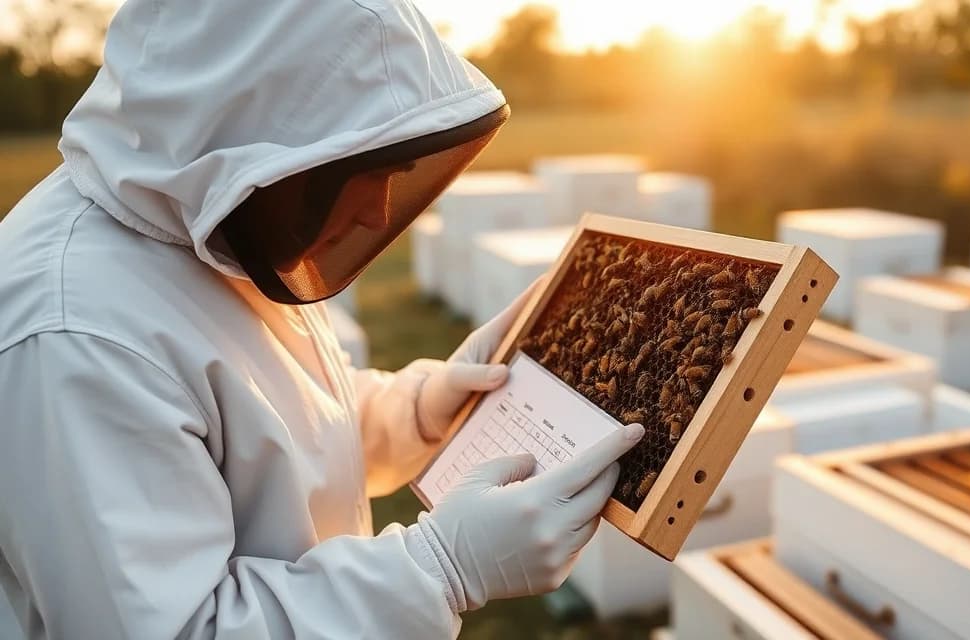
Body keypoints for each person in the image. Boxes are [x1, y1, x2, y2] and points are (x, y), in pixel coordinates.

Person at [0, 1, 644, 637]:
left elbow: (271, 430)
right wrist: (438, 572)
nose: (376, 213)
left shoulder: (198, 226)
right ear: (262, 141)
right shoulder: (74, 337)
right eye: (366, 173)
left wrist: (419, 409)